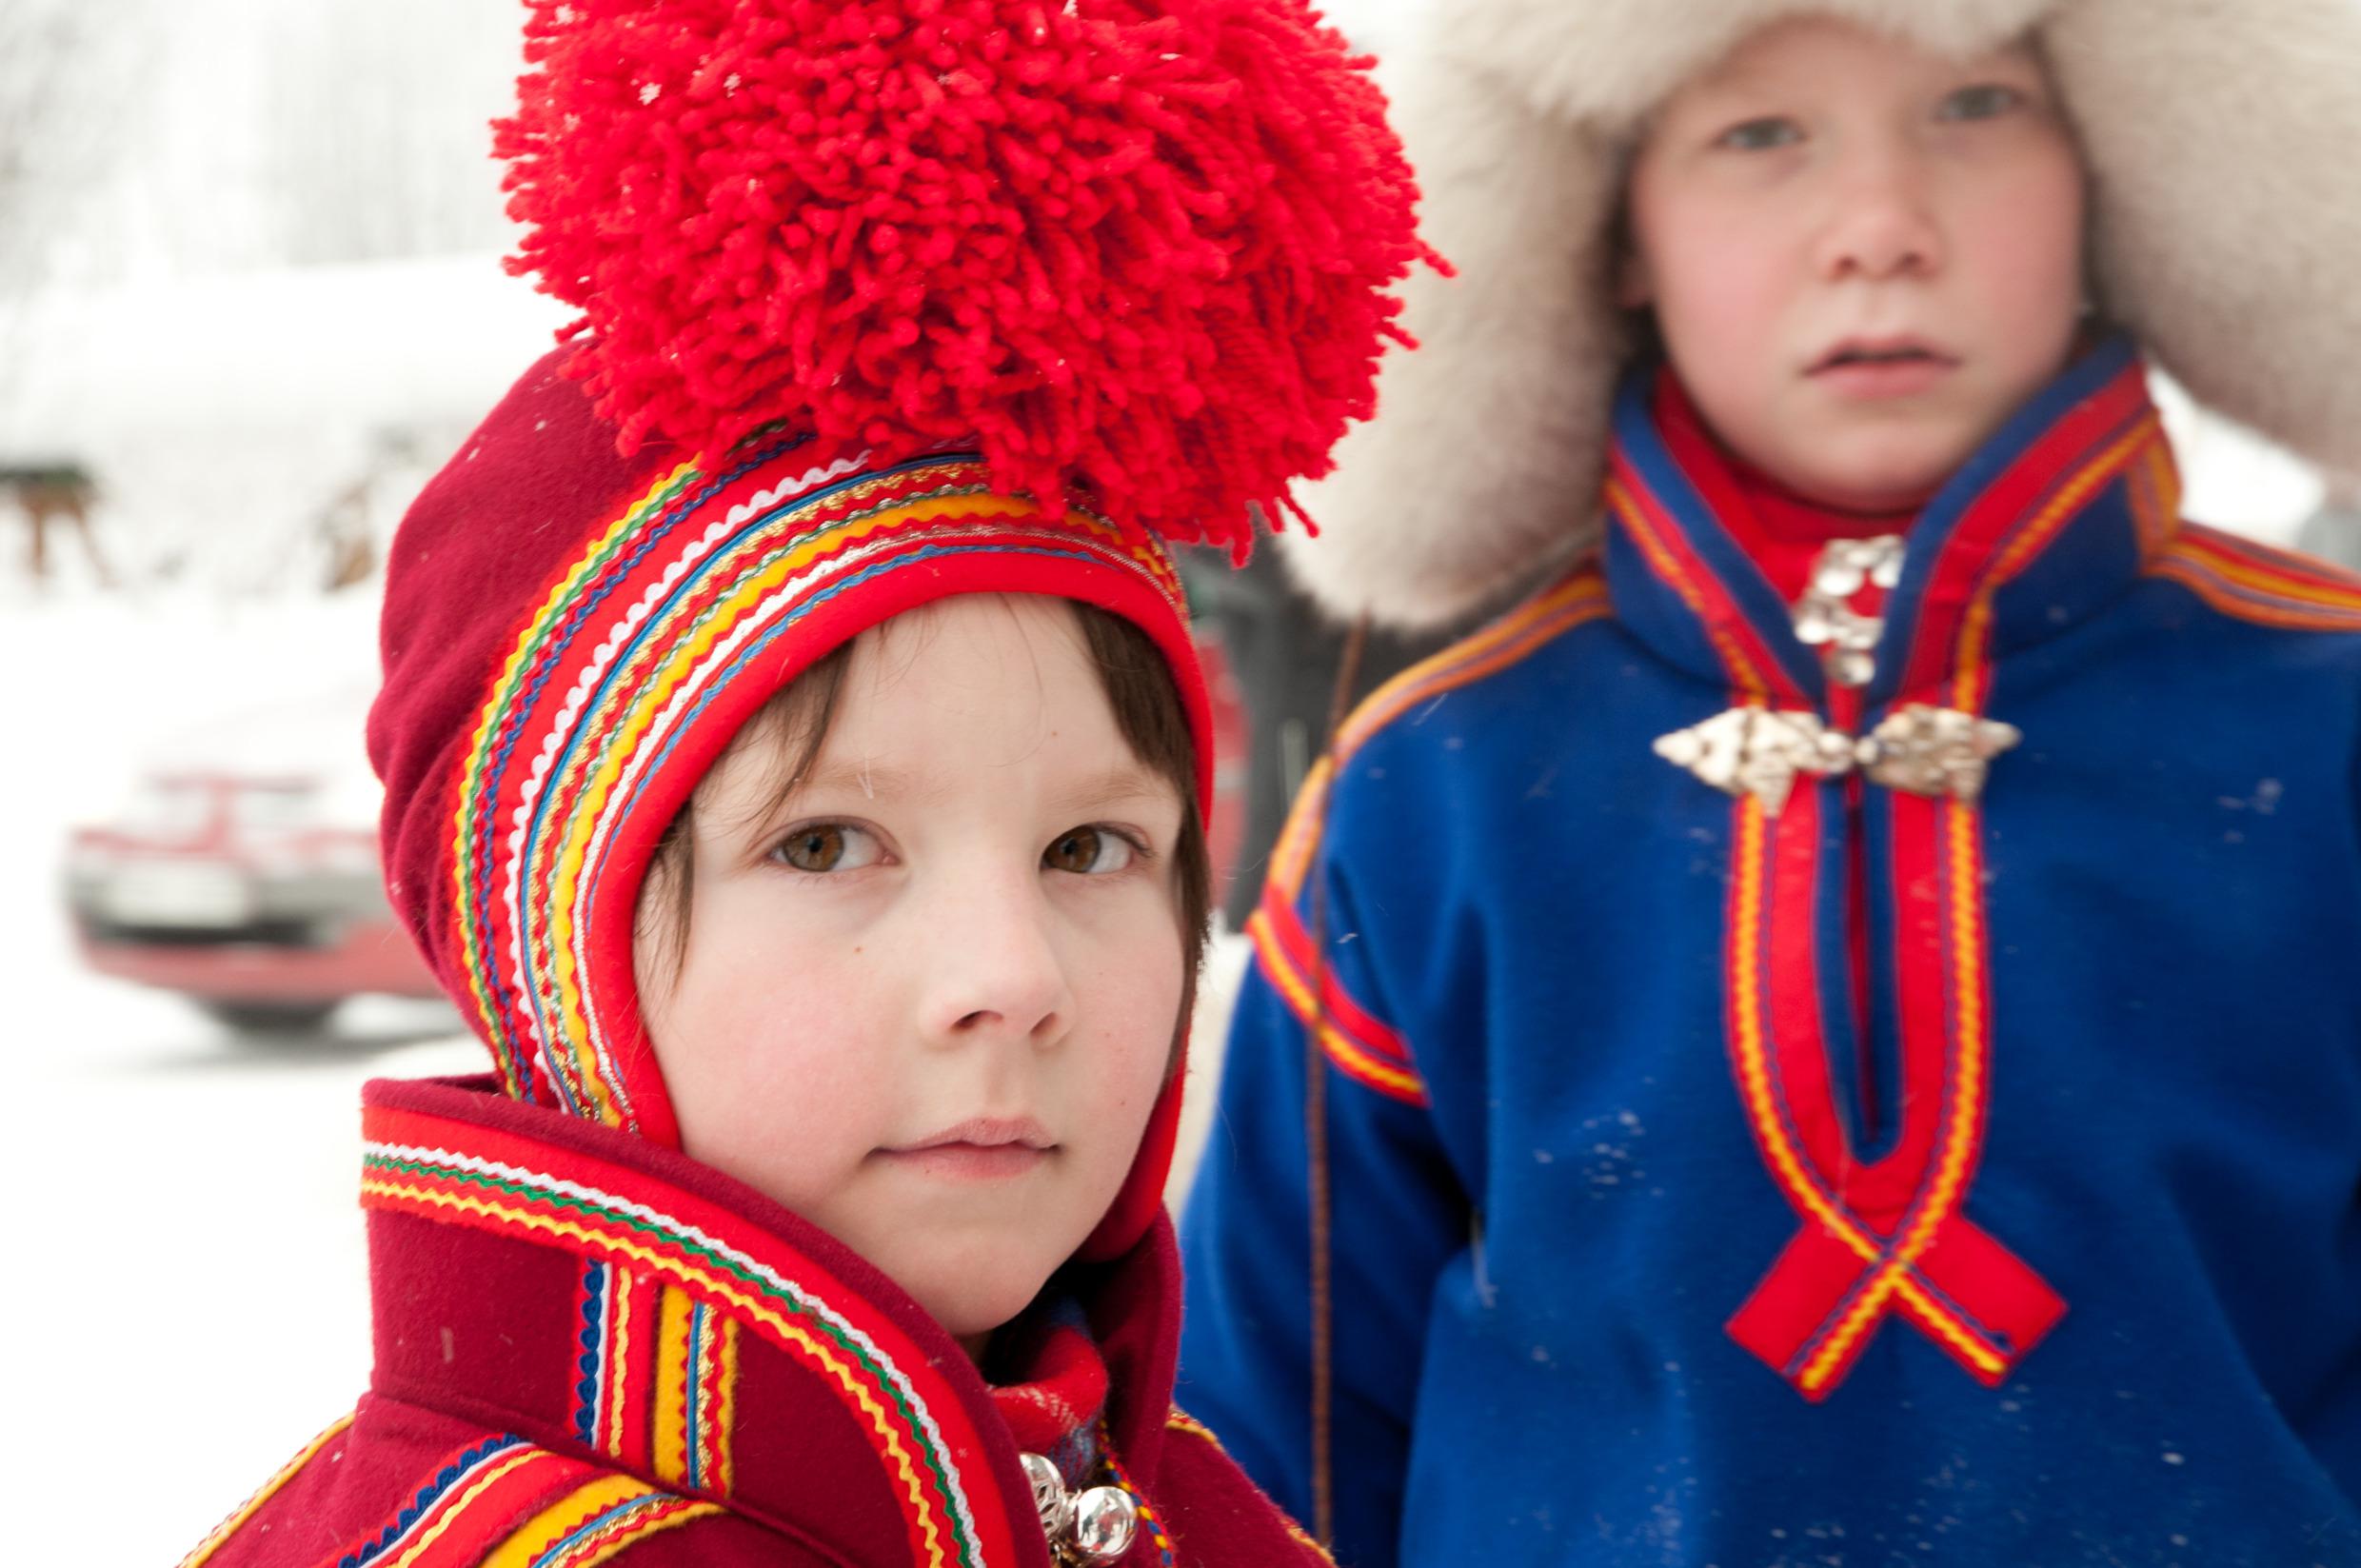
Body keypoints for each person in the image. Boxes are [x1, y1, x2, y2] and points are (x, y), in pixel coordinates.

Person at [177, 1, 1432, 1563]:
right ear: (560, 963)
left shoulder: (1198, 1515)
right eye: (832, 842)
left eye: (1093, 847)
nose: (1011, 978)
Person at [1177, 3, 2361, 1564]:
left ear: (2117, 176)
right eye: (1759, 134)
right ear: (1611, 229)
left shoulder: (2327, 733)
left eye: (1980, 106)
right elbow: (1263, 1466)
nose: (1880, 226)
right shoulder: (1432, 799)